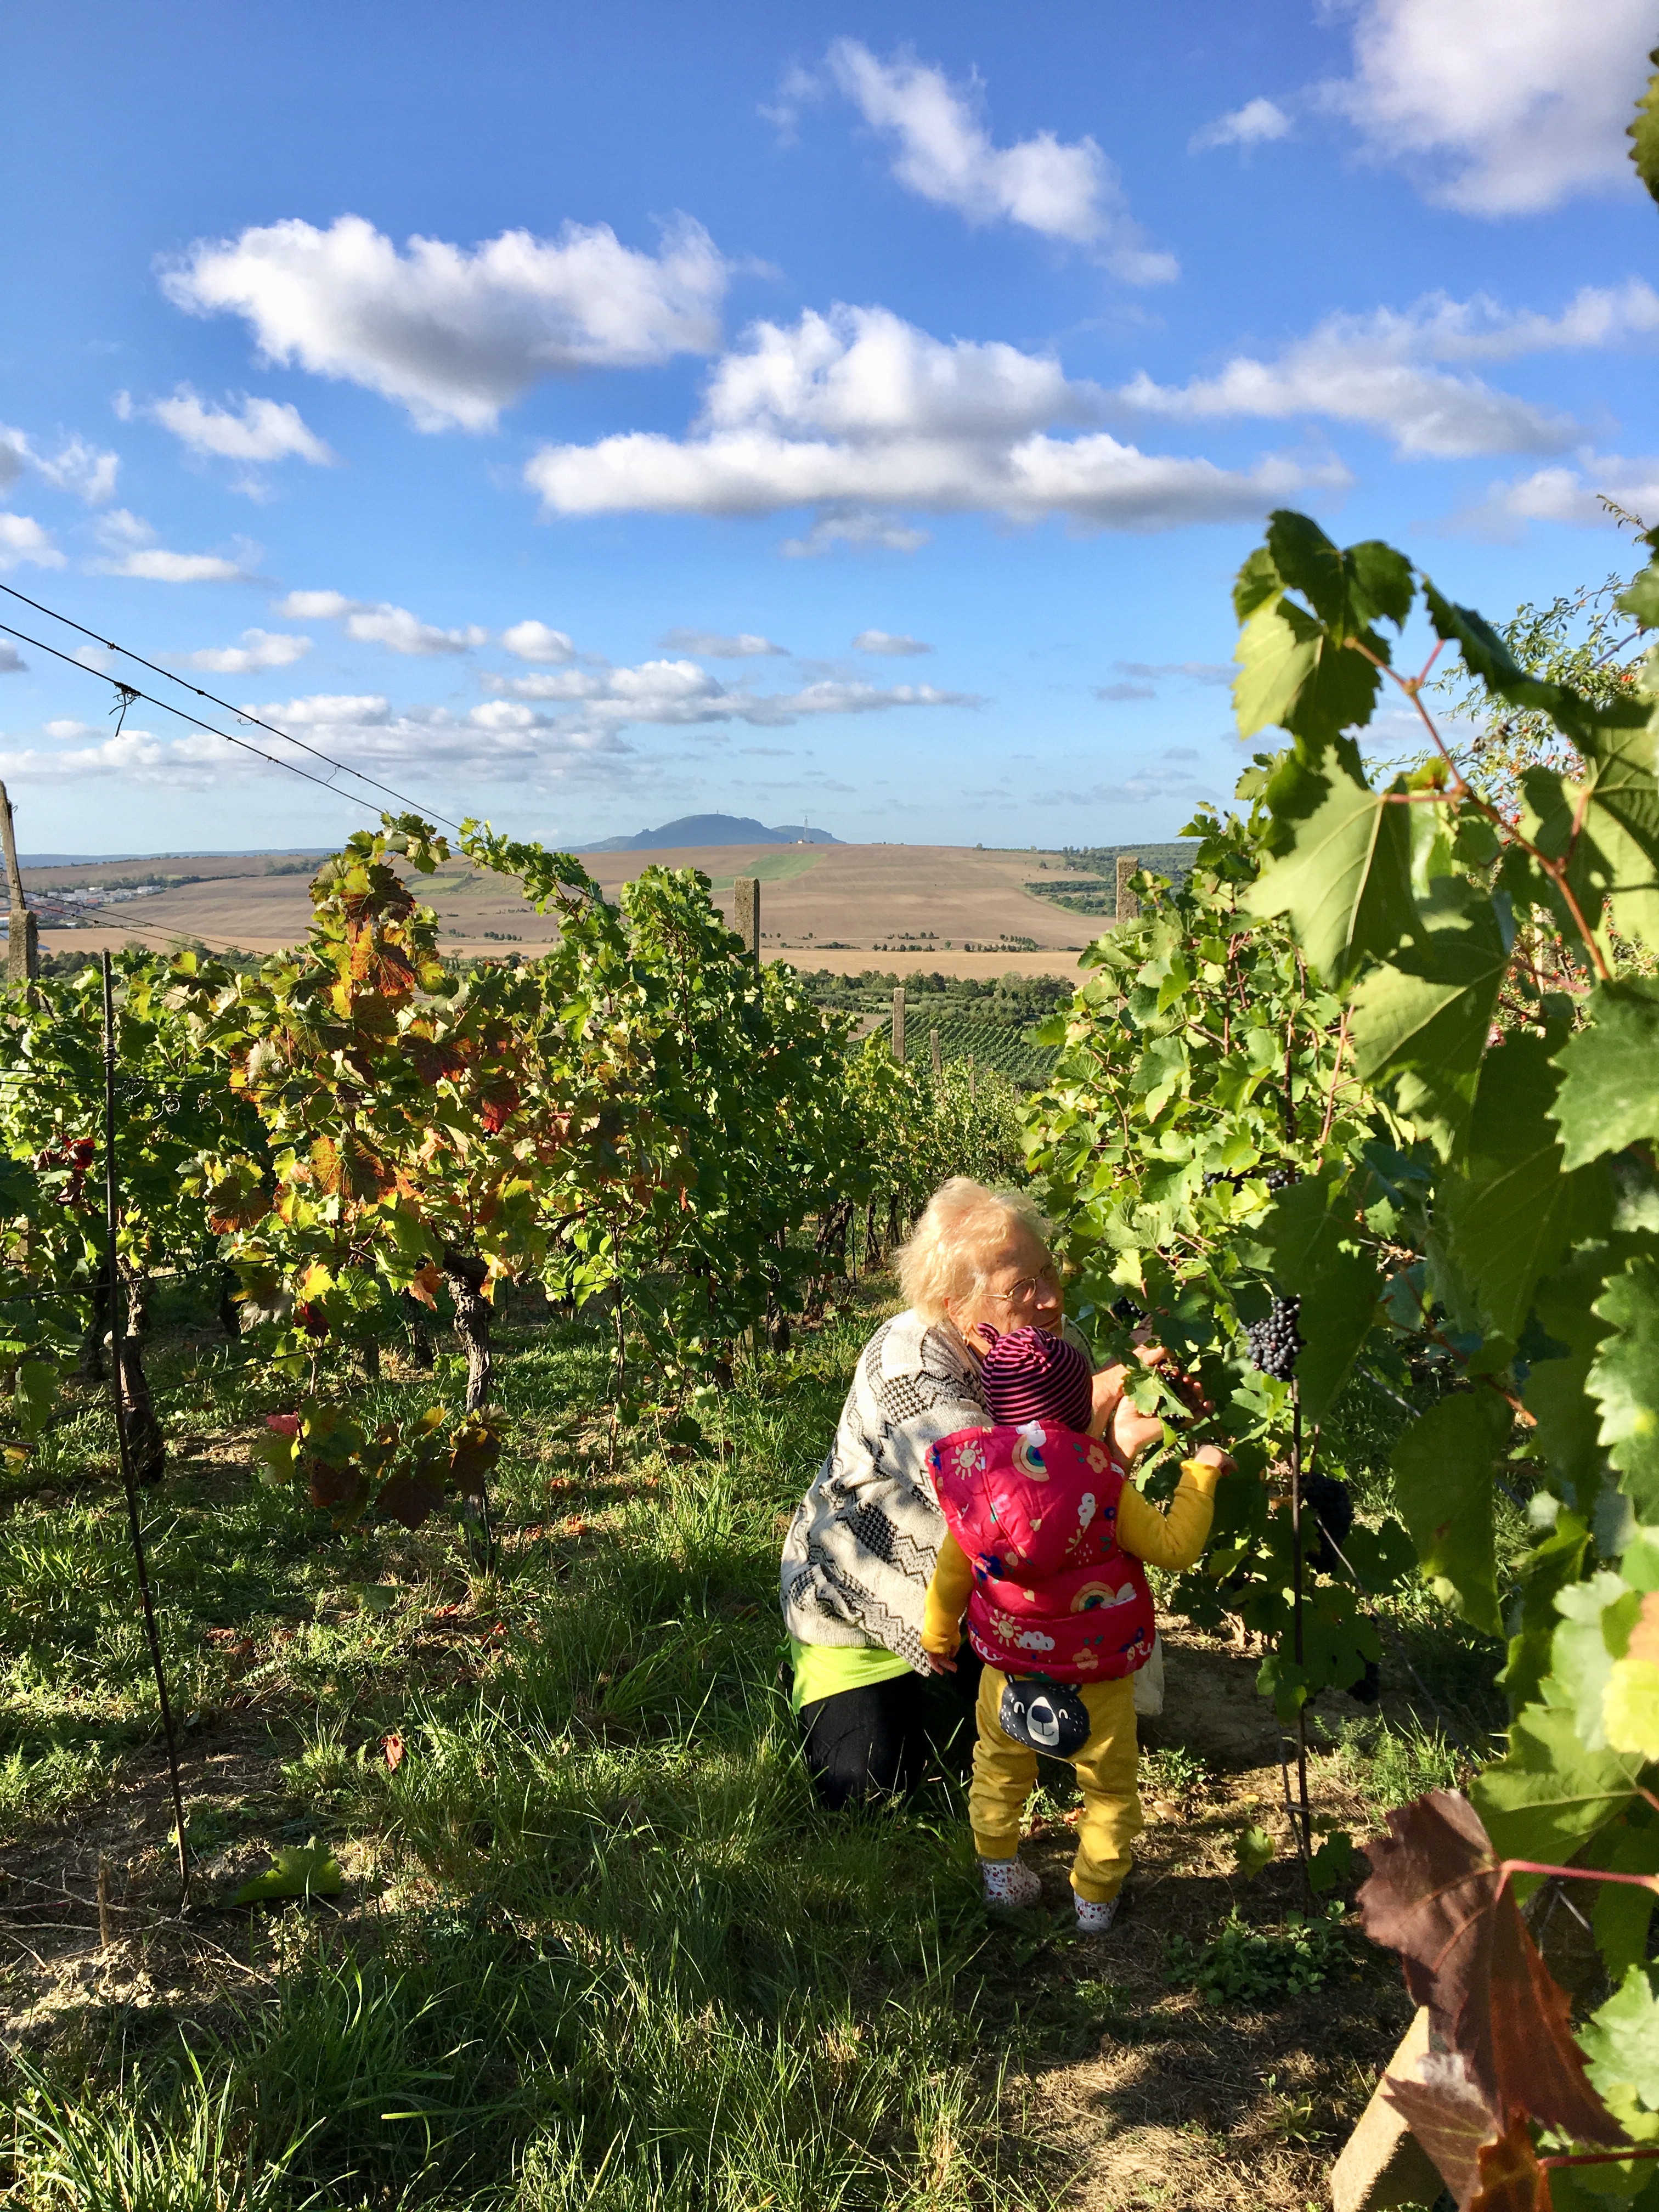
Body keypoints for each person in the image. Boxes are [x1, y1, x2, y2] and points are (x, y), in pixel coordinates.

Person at [779, 1177, 1166, 1809]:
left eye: (1049, 1272)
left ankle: (978, 1671)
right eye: (1021, 1288)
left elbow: (1076, 1504)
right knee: (868, 1796)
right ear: (955, 1303)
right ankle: (819, 1669)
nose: (1049, 1300)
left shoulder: (1060, 1345)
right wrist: (1107, 1413)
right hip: (862, 1589)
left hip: (992, 1591)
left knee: (1064, 1749)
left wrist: (1116, 1434)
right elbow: (1002, 1516)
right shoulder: (911, 1363)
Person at [922, 1323, 1232, 1932]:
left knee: (999, 1769)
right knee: (1110, 1792)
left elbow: (950, 1574)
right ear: (1080, 1406)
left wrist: (939, 1637)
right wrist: (1203, 1471)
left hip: (1007, 1669)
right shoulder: (1104, 1483)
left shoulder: (976, 1487)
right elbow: (1175, 1547)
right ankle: (1094, 1900)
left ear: (995, 1406)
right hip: (1097, 1676)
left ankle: (1001, 1878)